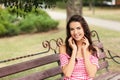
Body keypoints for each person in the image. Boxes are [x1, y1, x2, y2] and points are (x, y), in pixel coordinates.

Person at [59, 15, 99, 80]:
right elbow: (67, 74)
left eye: (78, 28)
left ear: (84, 29)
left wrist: (84, 51)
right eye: (72, 29)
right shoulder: (63, 48)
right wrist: (74, 50)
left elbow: (91, 74)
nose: (75, 32)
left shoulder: (93, 49)